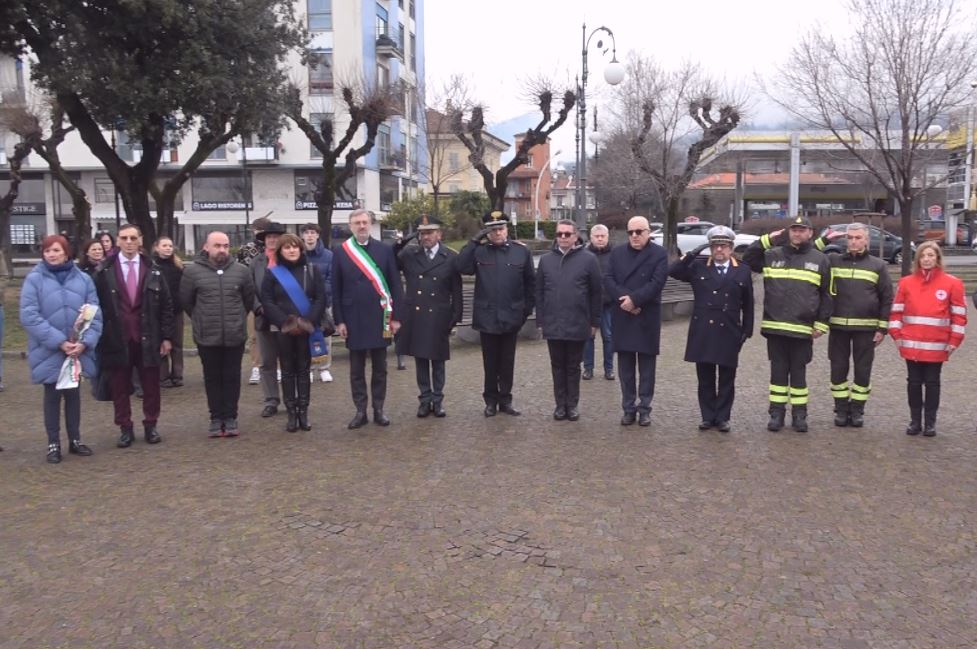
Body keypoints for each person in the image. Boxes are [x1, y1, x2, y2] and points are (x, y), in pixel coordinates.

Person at [743, 216, 832, 433]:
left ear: (810, 233)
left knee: (799, 375)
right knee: (778, 375)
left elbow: (827, 295)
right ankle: (776, 414)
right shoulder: (772, 255)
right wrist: (766, 240)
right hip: (775, 327)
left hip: (802, 329)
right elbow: (748, 259)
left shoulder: (820, 260)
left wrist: (822, 323)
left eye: (802, 230)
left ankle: (800, 415)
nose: (797, 233)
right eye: (794, 230)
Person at [20, 235, 103, 462]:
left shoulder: (84, 280)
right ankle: (53, 443)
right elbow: (29, 315)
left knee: (73, 394)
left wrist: (84, 342)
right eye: (47, 251)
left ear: (66, 253)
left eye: (56, 250)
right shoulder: (34, 280)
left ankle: (75, 439)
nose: (51, 255)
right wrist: (59, 341)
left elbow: (94, 313)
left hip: (77, 348)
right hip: (49, 348)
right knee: (52, 396)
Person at [93, 223, 175, 448]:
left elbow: (166, 306)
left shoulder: (154, 270)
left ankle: (151, 424)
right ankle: (125, 427)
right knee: (119, 386)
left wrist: (167, 337)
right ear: (117, 241)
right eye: (124, 238)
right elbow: (95, 305)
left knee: (151, 385)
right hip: (117, 338)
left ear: (140, 240)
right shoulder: (104, 271)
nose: (128, 242)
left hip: (149, 336)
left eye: (133, 238)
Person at [668, 226, 754, 433]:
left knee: (727, 378)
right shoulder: (698, 267)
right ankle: (707, 417)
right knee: (705, 377)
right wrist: (694, 252)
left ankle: (722, 418)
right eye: (715, 246)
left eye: (723, 246)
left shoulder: (742, 270)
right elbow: (673, 271)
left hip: (729, 329)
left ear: (731, 248)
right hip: (704, 330)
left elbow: (748, 303)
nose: (719, 250)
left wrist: (747, 329)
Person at [457, 211, 535, 417]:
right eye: (492, 230)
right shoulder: (480, 251)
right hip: (488, 317)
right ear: (487, 232)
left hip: (512, 316)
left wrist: (525, 312)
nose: (498, 233)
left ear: (507, 229)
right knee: (490, 363)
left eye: (501, 228)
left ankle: (506, 400)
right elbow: (461, 266)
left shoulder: (521, 252)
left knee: (507, 362)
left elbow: (530, 284)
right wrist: (474, 241)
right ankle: (490, 401)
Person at [815, 223, 893, 427]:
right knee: (838, 369)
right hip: (838, 327)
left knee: (863, 371)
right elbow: (809, 254)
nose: (854, 241)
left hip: (866, 328)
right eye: (850, 238)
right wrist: (825, 240)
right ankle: (841, 409)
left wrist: (882, 328)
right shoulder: (833, 260)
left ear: (866, 240)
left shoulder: (878, 265)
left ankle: (857, 410)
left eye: (858, 238)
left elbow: (886, 298)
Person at [332, 209, 403, 428]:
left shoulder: (385, 250)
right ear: (350, 226)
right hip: (352, 317)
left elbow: (395, 285)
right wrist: (339, 320)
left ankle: (379, 409)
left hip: (380, 316)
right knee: (356, 370)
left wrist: (396, 317)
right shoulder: (341, 251)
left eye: (364, 222)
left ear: (370, 224)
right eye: (357, 223)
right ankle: (360, 411)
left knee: (380, 368)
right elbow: (336, 288)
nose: (361, 226)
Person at [181, 231, 256, 437]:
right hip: (207, 335)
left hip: (234, 334)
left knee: (232, 377)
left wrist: (236, 319)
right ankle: (216, 418)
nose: (222, 250)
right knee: (212, 378)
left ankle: (231, 417)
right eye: (217, 245)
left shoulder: (241, 271)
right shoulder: (192, 272)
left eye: (225, 245)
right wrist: (202, 319)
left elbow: (248, 300)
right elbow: (187, 301)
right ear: (206, 247)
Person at [889, 242, 965, 436]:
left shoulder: (953, 283)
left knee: (932, 383)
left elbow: (959, 316)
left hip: (937, 345)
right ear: (918, 259)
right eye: (923, 256)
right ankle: (915, 421)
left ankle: (930, 423)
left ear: (937, 258)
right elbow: (896, 312)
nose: (926, 259)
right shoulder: (906, 283)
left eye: (930, 255)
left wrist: (954, 341)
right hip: (911, 343)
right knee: (913, 383)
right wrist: (896, 335)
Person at [393, 215, 463, 418]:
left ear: (439, 234)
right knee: (421, 360)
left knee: (438, 361)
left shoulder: (450, 256)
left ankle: (438, 400)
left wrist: (456, 315)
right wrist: (404, 240)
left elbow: (456, 290)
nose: (426, 237)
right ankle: (424, 400)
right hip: (416, 314)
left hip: (440, 315)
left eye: (430, 233)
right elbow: (390, 259)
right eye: (422, 233)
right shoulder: (409, 254)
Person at [535, 219, 602, 421]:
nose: (563, 237)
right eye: (559, 234)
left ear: (575, 236)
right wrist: (540, 321)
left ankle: (572, 405)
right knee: (557, 366)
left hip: (578, 322)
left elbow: (596, 293)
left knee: (573, 367)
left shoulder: (589, 260)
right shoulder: (546, 260)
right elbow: (539, 292)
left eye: (567, 234)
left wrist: (595, 322)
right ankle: (560, 405)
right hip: (553, 323)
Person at [604, 216, 668, 427]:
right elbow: (608, 279)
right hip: (623, 314)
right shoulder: (617, 253)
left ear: (648, 232)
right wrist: (626, 301)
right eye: (630, 232)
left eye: (639, 232)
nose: (634, 236)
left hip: (647, 315)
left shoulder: (659, 253)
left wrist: (635, 300)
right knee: (625, 368)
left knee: (647, 369)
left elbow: (657, 283)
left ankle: (645, 408)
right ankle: (628, 408)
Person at [262, 234, 326, 432]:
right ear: (280, 251)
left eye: (295, 247)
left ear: (300, 249)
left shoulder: (312, 270)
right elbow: (267, 301)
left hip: (307, 329)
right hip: (284, 329)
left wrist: (308, 321)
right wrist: (286, 322)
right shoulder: (272, 273)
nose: (291, 250)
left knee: (304, 371)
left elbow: (320, 299)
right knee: (287, 371)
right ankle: (291, 413)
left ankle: (303, 413)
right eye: (287, 247)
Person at [251, 221, 286, 417]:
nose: (272, 240)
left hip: (286, 318)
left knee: (288, 361)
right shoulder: (256, 263)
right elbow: (249, 289)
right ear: (264, 240)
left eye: (276, 237)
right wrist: (258, 307)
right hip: (263, 318)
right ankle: (271, 400)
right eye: (269, 237)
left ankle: (291, 398)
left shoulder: (290, 259)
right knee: (267, 362)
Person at [238, 217, 272, 385]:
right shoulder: (246, 249)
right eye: (257, 230)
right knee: (254, 335)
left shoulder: (279, 248)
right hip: (253, 299)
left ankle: (278, 366)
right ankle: (257, 366)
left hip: (275, 299)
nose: (259, 233)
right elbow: (241, 273)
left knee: (277, 335)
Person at [301, 222, 334, 383]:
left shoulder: (329, 255)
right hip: (302, 302)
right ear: (302, 236)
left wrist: (320, 295)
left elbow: (331, 278)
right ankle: (308, 368)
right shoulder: (298, 254)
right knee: (304, 335)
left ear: (318, 235)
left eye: (312, 233)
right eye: (307, 233)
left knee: (325, 335)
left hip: (323, 302)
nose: (310, 236)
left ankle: (324, 368)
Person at [582, 223, 615, 381]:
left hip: (609, 303)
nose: (600, 239)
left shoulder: (615, 254)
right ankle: (588, 368)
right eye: (597, 236)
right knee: (589, 337)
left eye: (603, 236)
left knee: (608, 336)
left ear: (608, 237)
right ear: (591, 237)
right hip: (589, 304)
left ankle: (609, 368)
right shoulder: (584, 255)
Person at [154, 236, 185, 388]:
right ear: (157, 248)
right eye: (164, 245)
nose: (168, 248)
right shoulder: (152, 267)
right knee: (161, 343)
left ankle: (177, 374)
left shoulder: (178, 266)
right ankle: (163, 376)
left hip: (177, 310)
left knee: (177, 343)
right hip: (158, 311)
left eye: (170, 246)